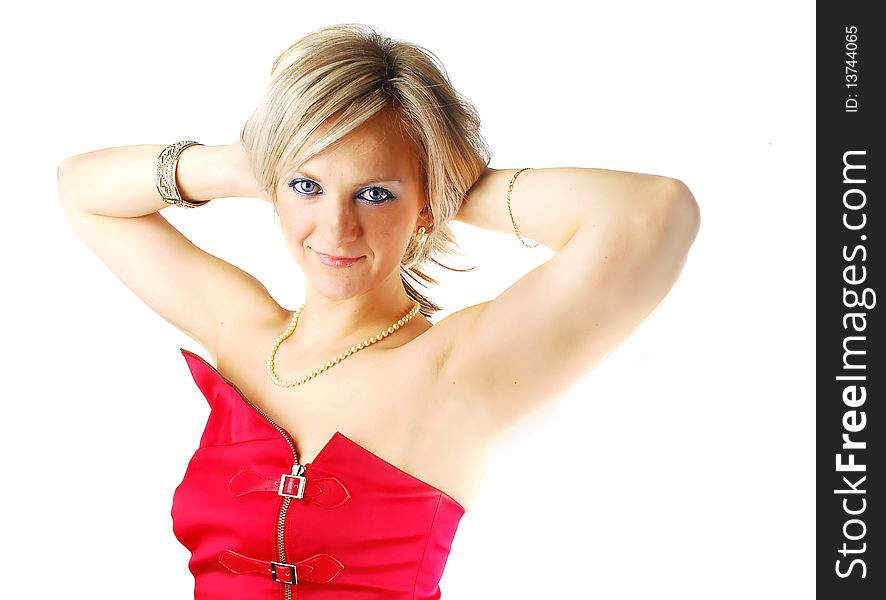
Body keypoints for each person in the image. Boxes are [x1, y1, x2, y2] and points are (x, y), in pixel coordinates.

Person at [56, 22, 699, 600]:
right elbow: (81, 190)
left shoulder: (452, 368)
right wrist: (241, 165)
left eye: (374, 193)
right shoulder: (243, 332)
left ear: (424, 208)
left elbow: (653, 214)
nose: (336, 228)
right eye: (306, 186)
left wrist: (445, 180)